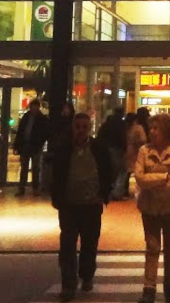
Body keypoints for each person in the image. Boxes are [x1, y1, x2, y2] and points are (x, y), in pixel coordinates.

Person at [49, 112, 113, 302]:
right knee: (67, 244)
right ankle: (68, 284)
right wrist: (58, 198)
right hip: (69, 204)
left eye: (84, 127)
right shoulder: (63, 148)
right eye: (77, 127)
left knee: (89, 243)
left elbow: (107, 171)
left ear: (90, 128)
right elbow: (57, 174)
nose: (80, 131)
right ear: (72, 128)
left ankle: (86, 275)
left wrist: (102, 195)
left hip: (91, 205)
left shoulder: (99, 148)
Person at [133, 113, 170, 303]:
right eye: (151, 128)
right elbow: (139, 177)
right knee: (152, 247)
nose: (152, 131)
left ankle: (169, 285)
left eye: (156, 128)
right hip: (150, 208)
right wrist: (164, 178)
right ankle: (149, 289)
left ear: (166, 130)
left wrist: (153, 185)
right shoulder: (144, 151)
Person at [13, 99, 50, 196]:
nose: (33, 108)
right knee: (24, 167)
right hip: (25, 145)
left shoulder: (42, 119)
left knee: (35, 168)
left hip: (35, 146)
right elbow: (20, 131)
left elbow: (45, 133)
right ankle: (22, 188)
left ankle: (35, 188)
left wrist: (40, 143)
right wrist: (17, 145)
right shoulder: (26, 116)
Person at [97, 107, 129, 200]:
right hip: (117, 149)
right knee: (121, 170)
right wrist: (125, 148)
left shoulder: (106, 124)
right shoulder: (122, 124)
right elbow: (123, 137)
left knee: (111, 170)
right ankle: (117, 192)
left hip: (107, 149)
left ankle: (109, 190)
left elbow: (100, 136)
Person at [123, 109, 151, 198]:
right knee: (140, 171)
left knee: (127, 171)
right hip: (137, 151)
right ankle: (144, 190)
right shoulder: (139, 127)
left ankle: (124, 190)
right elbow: (143, 140)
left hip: (128, 150)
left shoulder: (126, 127)